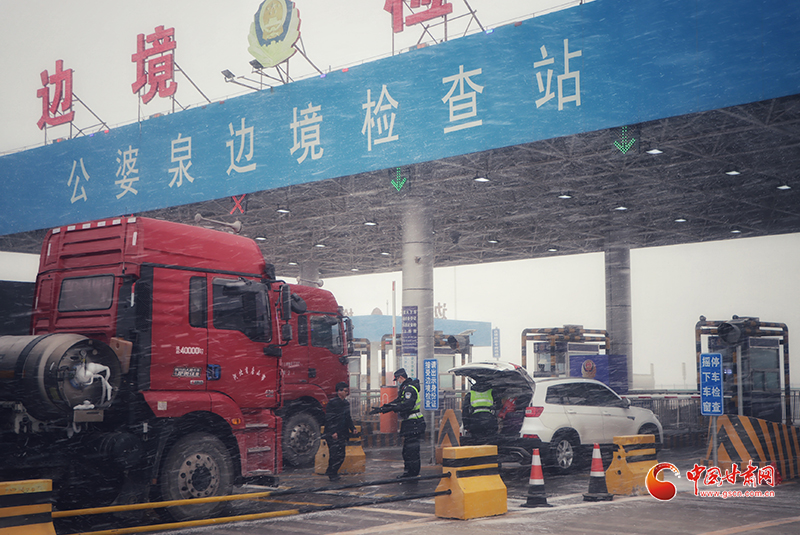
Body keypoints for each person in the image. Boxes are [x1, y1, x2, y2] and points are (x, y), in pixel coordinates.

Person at [370, 368, 426, 478]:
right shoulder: (405, 388)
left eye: (397, 380)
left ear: (401, 377)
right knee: (407, 451)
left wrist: (393, 408)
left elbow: (407, 405)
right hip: (411, 423)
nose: (397, 382)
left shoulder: (409, 389)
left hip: (414, 423)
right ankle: (409, 472)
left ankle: (412, 473)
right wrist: (384, 408)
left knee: (411, 451)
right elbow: (398, 401)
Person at [323, 381, 355, 481]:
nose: (346, 393)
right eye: (345, 391)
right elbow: (329, 419)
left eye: (347, 391)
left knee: (341, 455)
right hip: (332, 433)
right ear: (339, 391)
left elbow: (348, 418)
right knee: (334, 454)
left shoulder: (346, 403)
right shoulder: (332, 403)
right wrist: (333, 431)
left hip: (342, 433)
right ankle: (332, 473)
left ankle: (331, 471)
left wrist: (353, 428)